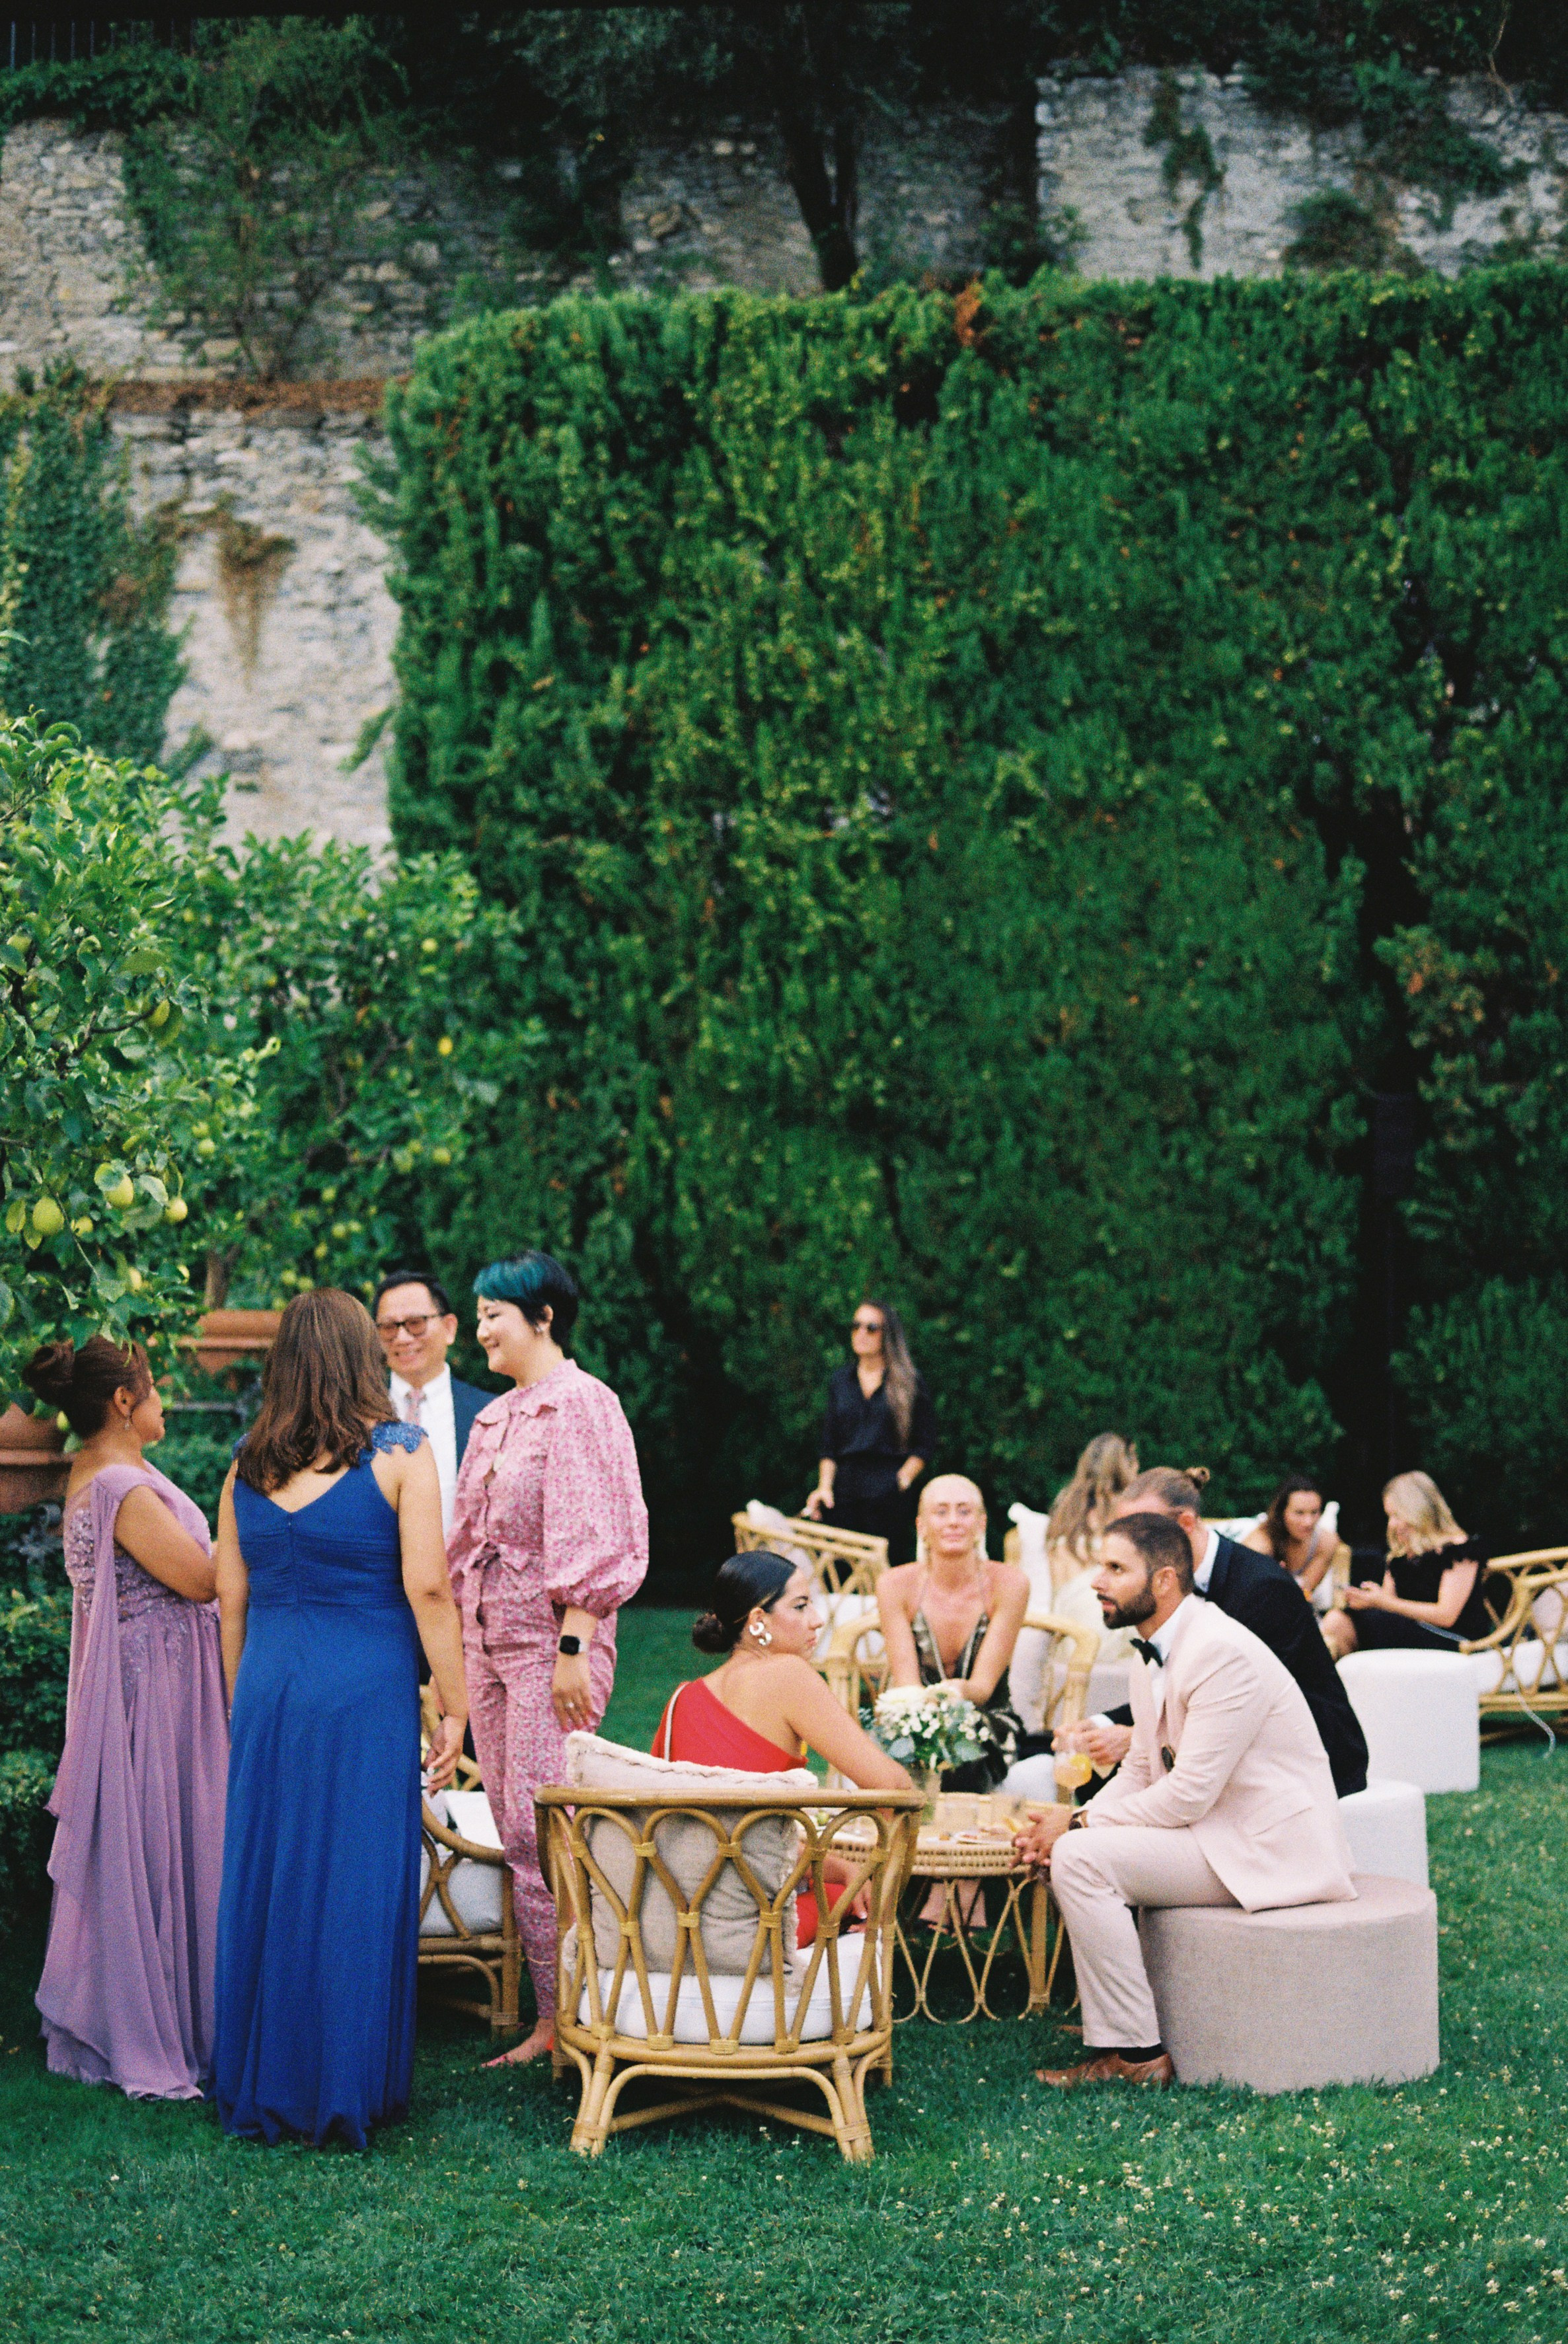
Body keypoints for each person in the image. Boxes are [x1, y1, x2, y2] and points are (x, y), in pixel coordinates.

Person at [211, 1289, 467, 2147]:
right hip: (363, 1692)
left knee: (275, 1881)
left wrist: (240, 1700)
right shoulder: (402, 1452)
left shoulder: (244, 1463)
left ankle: (265, 2078)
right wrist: (456, 1701)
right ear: (362, 1356)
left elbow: (231, 1602)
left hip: (272, 1687)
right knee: (355, 1882)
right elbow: (429, 1587)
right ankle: (345, 2084)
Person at [1020, 1510, 1356, 2089]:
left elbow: (1187, 1794)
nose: (1096, 1580)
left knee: (1080, 1856)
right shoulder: (1149, 1651)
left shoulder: (1219, 1649)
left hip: (1264, 1845)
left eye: (1114, 1568)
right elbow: (1143, 1767)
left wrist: (1076, 1822)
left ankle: (1138, 2057)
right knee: (1077, 1849)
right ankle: (1117, 2028)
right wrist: (1074, 1823)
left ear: (1164, 1581)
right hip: (1216, 1832)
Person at [447, 1249, 648, 2069]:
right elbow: (464, 1549)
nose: (483, 1326)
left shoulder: (582, 1406)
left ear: (544, 1317)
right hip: (490, 1647)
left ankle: (583, 2017)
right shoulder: (500, 1416)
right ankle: (554, 2019)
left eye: (494, 1311)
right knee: (520, 1837)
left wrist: (574, 1644)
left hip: (550, 1645)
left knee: (550, 1833)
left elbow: (597, 1532)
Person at [25, 1336, 226, 2100]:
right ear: (123, 1400)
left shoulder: (99, 1471)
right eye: (154, 1387)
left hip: (157, 1674)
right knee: (168, 1840)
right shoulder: (121, 1487)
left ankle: (177, 2009)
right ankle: (162, 2025)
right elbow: (201, 1579)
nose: (166, 1400)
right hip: (159, 1685)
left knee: (161, 1841)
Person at [1059, 1466, 1369, 1798]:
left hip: (1309, 1756)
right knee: (1097, 1777)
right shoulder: (1159, 1589)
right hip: (1229, 1738)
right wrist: (1101, 1726)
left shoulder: (1263, 1589)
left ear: (1186, 1525)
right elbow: (1173, 1689)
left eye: (1142, 1533)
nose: (1127, 1544)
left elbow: (1242, 1703)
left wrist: (1135, 1736)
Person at [653, 1553, 913, 1936]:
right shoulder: (788, 1675)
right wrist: (886, 1896)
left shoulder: (681, 1700)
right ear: (759, 1621)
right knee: (855, 1898)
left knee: (841, 1886)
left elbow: (713, 1836)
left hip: (675, 1921)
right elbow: (895, 1789)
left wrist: (842, 1868)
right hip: (753, 1930)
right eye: (801, 1606)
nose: (817, 1619)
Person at [876, 1474, 1033, 1790]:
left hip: (987, 1719)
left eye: (964, 1511)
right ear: (922, 1526)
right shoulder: (894, 1585)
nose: (953, 1522)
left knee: (965, 1745)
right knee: (886, 1750)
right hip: (916, 1713)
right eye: (941, 1512)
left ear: (981, 1524)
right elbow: (907, 1684)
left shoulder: (1010, 1584)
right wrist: (918, 1720)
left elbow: (983, 1688)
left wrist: (948, 1699)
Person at [804, 1299, 936, 1561]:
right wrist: (824, 1488)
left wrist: (902, 1480)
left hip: (888, 1490)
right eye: (856, 1326)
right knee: (841, 1570)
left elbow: (926, 1443)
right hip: (844, 1491)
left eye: (871, 1327)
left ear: (887, 1335)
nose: (861, 1333)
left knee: (887, 1570)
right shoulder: (840, 1381)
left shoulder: (909, 1382)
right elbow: (829, 1443)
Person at [1322, 1470, 1493, 1661]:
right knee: (1337, 1621)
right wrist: (1370, 1600)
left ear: (1418, 1511)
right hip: (1411, 1634)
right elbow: (1390, 1609)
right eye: (1389, 1516)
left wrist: (1383, 1602)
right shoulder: (1400, 1557)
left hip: (1455, 1640)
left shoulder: (1459, 1549)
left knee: (1346, 1625)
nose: (1393, 1524)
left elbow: (1446, 1615)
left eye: (1397, 1515)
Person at [373, 1269, 492, 1540]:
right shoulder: (356, 1415)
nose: (402, 1338)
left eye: (416, 1323)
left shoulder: (489, 1413)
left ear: (449, 1328)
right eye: (389, 1328)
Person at [1043, 1433, 1140, 1595]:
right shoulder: (1123, 1506)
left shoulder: (1066, 1501)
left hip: (1060, 1607)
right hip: (1098, 1598)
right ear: (1127, 1464)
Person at [1242, 1473, 1342, 1610]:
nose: (1308, 1522)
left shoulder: (1326, 1542)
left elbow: (1305, 1591)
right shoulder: (1260, 1543)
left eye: (1314, 1512)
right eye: (1299, 1513)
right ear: (1282, 1513)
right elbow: (1246, 1595)